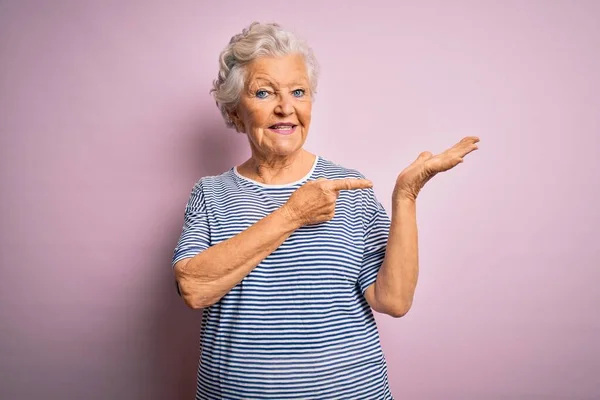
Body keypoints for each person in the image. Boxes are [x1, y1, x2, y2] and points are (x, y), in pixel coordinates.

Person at [172, 21, 479, 400]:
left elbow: (393, 300)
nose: (286, 108)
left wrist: (406, 197)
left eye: (298, 92)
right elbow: (194, 287)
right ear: (236, 113)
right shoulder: (211, 194)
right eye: (265, 92)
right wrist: (293, 214)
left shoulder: (350, 189)